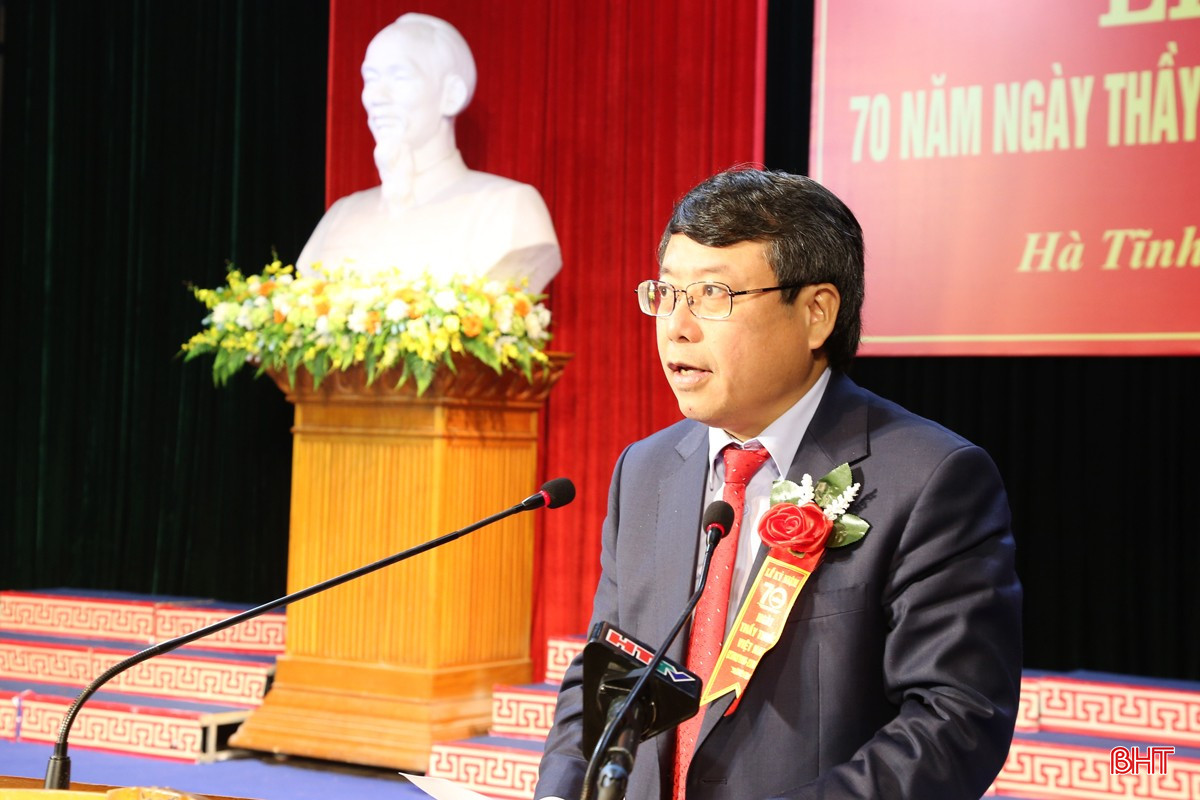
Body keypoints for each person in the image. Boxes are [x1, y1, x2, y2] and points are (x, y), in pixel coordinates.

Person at [534, 167, 1022, 799]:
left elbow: (954, 721)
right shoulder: (645, 470)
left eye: (712, 294)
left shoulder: (929, 478)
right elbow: (602, 678)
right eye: (667, 293)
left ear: (816, 314)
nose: (676, 326)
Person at [297, 13, 561, 292]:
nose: (376, 97)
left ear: (452, 94)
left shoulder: (508, 209)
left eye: (400, 77)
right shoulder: (340, 216)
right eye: (370, 79)